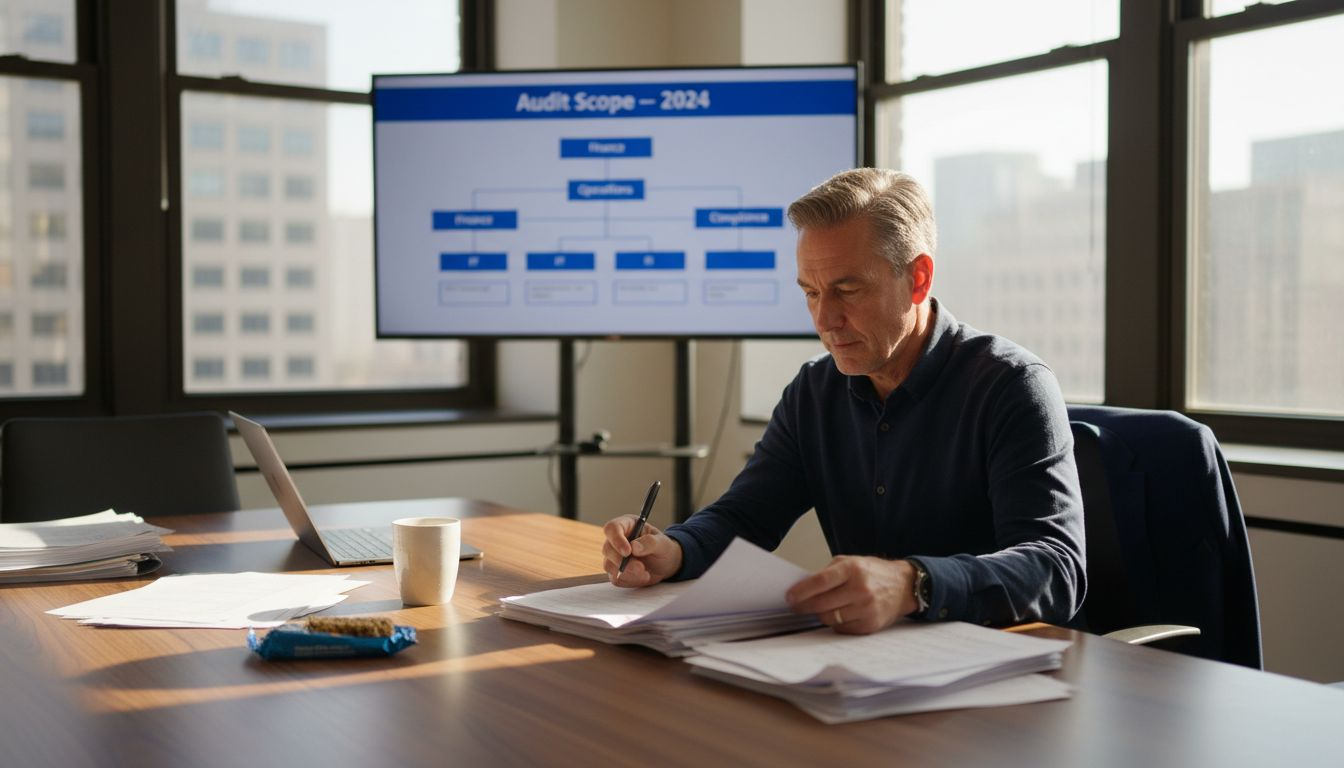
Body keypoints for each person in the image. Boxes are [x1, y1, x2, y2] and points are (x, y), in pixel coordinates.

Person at [602, 168, 1086, 633]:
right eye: (810, 293)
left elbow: (1056, 566)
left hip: (996, 667)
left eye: (847, 290)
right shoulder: (815, 390)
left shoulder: (1012, 385)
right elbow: (746, 516)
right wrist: (676, 549)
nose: (824, 319)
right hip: (862, 664)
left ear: (918, 279)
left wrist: (912, 584)